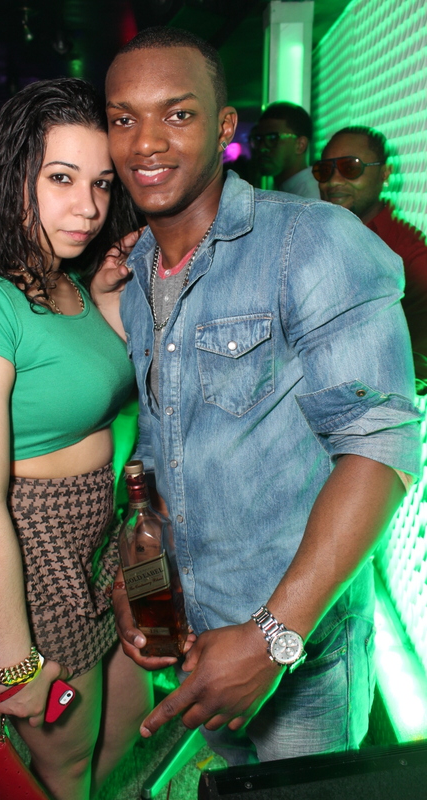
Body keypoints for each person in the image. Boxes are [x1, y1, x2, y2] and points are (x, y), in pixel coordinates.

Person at [93, 27, 422, 766]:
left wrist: (273, 639)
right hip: (203, 636)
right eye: (123, 118)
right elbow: (168, 450)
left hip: (299, 649)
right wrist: (140, 574)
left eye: (178, 114)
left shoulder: (312, 241)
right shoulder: (138, 275)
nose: (147, 142)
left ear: (224, 126)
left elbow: (382, 448)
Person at [0, 78, 152, 800]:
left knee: (131, 720)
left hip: (96, 530)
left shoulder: (71, 284)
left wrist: (107, 300)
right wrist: (15, 665)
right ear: (11, 176)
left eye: (102, 183)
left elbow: (89, 386)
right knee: (65, 760)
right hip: (26, 543)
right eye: (60, 178)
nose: (88, 207)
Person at [315, 126, 427, 391]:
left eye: (350, 167)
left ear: (385, 173)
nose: (333, 181)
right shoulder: (311, 233)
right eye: (324, 170)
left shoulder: (409, 254)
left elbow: (421, 363)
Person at [250, 101, 320, 198]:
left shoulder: (310, 196)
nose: (262, 148)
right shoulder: (290, 189)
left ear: (300, 145)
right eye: (258, 139)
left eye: (273, 138)